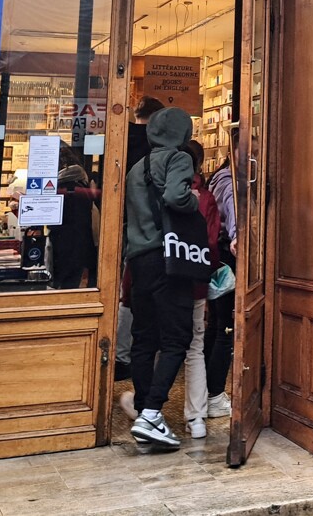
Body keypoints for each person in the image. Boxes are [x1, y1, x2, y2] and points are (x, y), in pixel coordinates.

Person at [123, 106, 200, 450]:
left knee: (144, 339)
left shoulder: (135, 167)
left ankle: (143, 410)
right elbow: (175, 196)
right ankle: (152, 413)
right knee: (175, 339)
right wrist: (194, 200)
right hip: (170, 259)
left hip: (138, 261)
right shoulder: (179, 159)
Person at [117, 96, 163, 380]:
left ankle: (122, 355)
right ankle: (136, 353)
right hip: (149, 232)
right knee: (138, 294)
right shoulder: (157, 149)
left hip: (121, 224)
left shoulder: (120, 139)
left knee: (125, 291)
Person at [179, 139, 221, 439]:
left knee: (160, 344)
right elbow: (212, 244)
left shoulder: (159, 190)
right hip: (194, 282)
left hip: (162, 281)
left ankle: (147, 409)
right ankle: (196, 417)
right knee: (194, 346)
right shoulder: (205, 198)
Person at [205, 151, 237, 420]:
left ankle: (207, 392)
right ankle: (214, 394)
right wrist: (238, 236)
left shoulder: (216, 178)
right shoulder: (229, 180)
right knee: (225, 328)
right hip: (228, 258)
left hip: (218, 257)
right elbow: (233, 205)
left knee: (217, 326)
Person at [48, 153, 100, 290]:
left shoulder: (56, 190)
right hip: (79, 244)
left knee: (56, 281)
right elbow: (90, 221)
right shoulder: (83, 193)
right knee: (71, 283)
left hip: (58, 242)